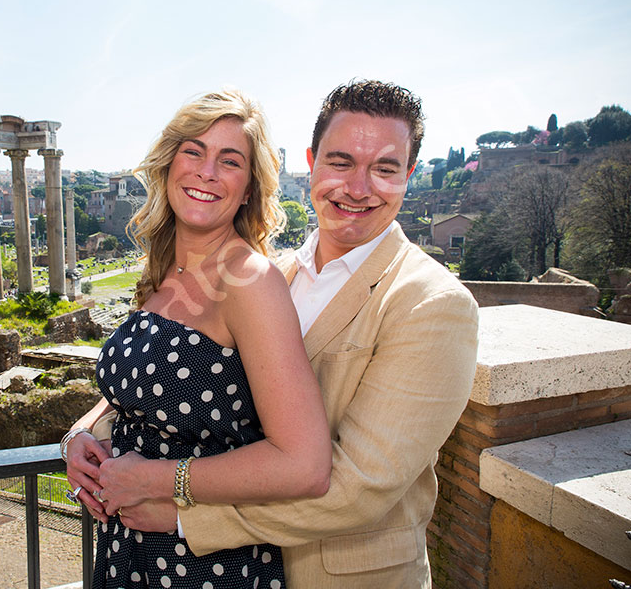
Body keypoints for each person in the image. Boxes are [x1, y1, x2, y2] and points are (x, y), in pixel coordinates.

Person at [112, 80, 480, 588]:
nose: (357, 187)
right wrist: (90, 435)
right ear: (311, 162)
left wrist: (183, 515)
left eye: (385, 168)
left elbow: (358, 488)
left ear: (409, 177)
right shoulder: (272, 274)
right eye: (341, 162)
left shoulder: (433, 304)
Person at [63, 88, 333, 588]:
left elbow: (305, 464)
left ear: (249, 188)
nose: (206, 171)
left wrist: (152, 479)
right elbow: (135, 392)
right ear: (169, 165)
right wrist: (77, 436)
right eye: (194, 151)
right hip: (128, 551)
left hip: (205, 564)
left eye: (229, 161)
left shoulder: (251, 281)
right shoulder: (164, 269)